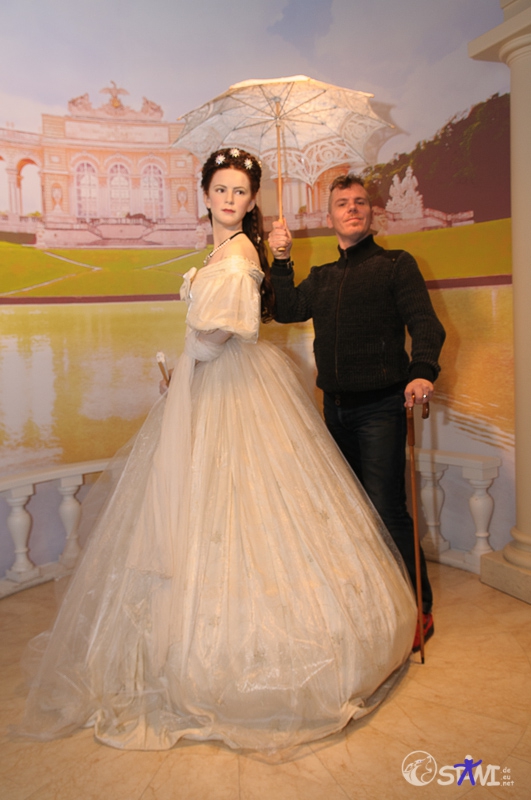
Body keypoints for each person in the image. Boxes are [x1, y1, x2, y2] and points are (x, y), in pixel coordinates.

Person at [18, 151, 417, 755]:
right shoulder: (221, 251)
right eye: (222, 189)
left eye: (241, 192)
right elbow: (238, 321)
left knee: (247, 505)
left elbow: (221, 331)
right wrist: (187, 366)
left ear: (252, 201)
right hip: (214, 385)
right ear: (205, 194)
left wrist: (188, 360)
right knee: (201, 505)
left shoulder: (239, 253)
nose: (231, 199)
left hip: (235, 386)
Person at [268, 174, 446, 651]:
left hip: (382, 408)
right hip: (335, 411)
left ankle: (419, 607)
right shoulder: (323, 276)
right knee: (351, 512)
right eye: (343, 203)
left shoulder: (396, 264)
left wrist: (422, 371)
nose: (352, 208)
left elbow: (426, 326)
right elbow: (286, 310)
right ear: (329, 217)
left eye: (360, 202)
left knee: (387, 509)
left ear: (371, 213)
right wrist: (281, 261)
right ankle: (374, 597)